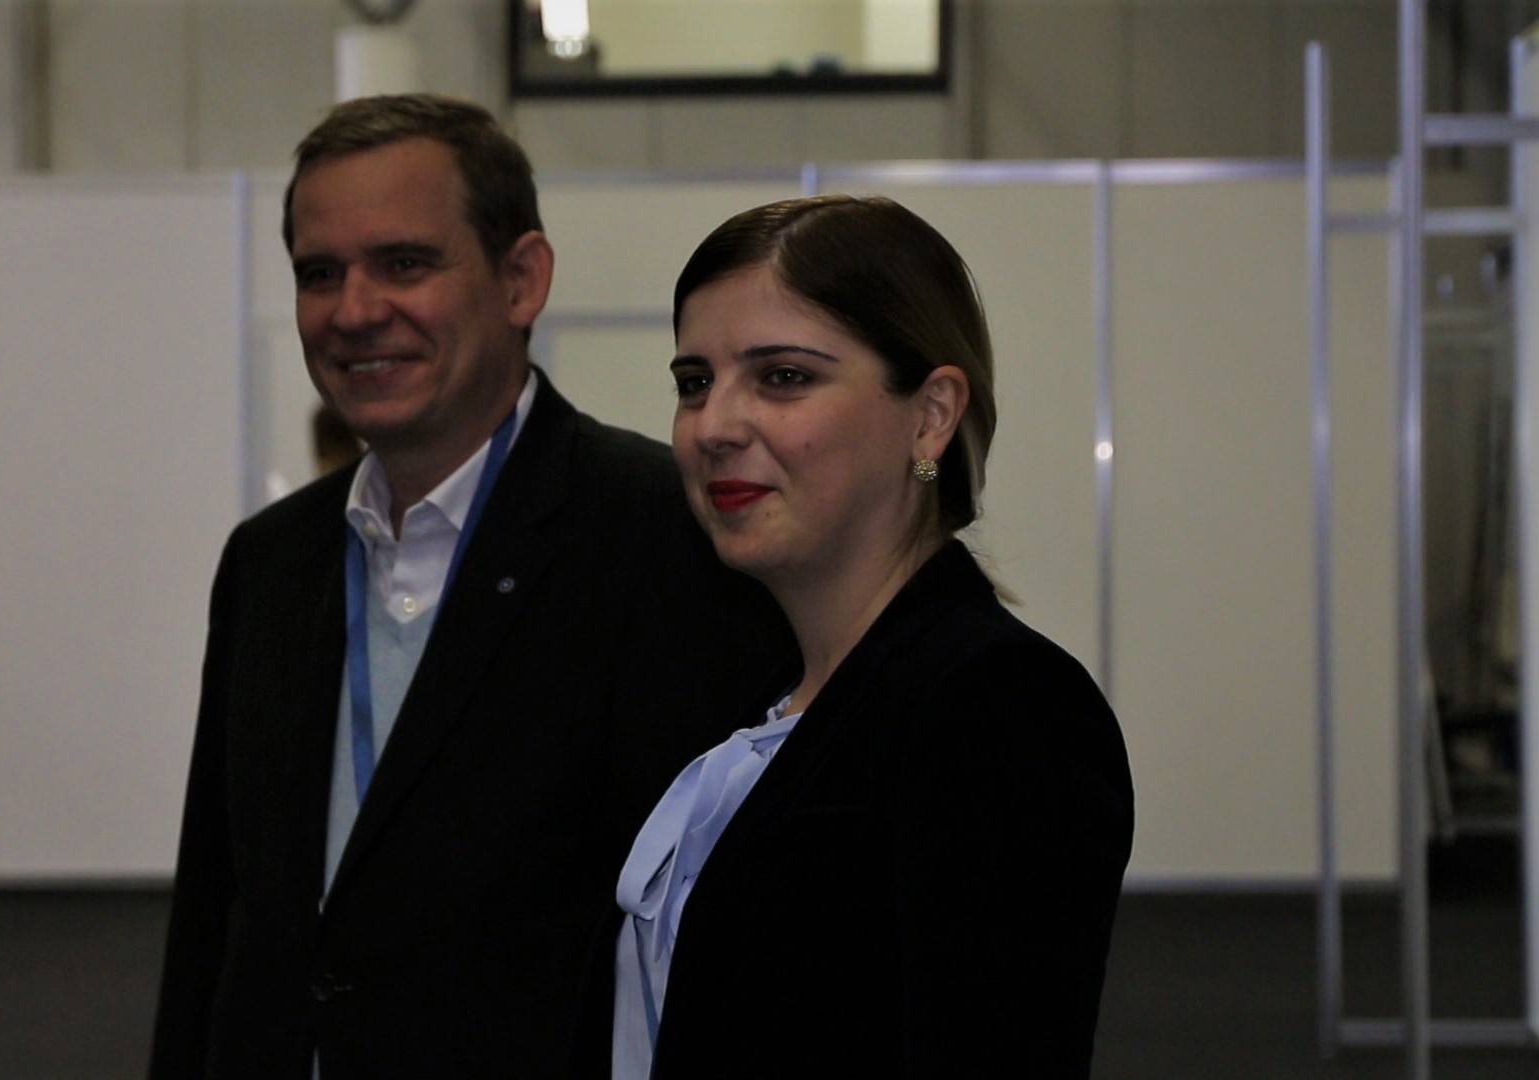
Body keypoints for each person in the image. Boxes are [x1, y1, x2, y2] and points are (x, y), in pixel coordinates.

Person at [147, 94, 791, 1079]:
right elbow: (214, 912)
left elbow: (730, 938)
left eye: (405, 263)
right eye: (320, 274)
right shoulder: (270, 562)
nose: (355, 310)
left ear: (521, 279)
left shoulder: (669, 539)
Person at [613, 195, 1134, 1078]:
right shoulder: (759, 694)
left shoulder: (998, 707)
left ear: (930, 414)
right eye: (694, 382)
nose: (715, 425)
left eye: (783, 377)